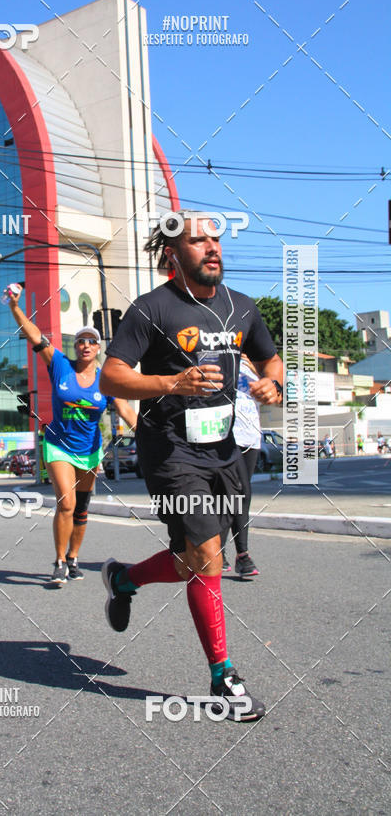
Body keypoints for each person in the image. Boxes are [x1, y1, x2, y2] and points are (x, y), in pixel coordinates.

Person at [99, 211, 283, 720]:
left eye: (216, 239)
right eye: (199, 240)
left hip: (226, 449)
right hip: (172, 450)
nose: (212, 247)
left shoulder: (241, 308)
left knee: (192, 563)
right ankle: (224, 679)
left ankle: (123, 580)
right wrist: (170, 385)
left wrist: (274, 384)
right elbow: (112, 378)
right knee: (208, 558)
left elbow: (270, 359)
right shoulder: (151, 308)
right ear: (173, 255)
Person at [7, 284, 137, 584]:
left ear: (98, 348)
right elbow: (35, 335)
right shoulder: (60, 366)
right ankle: (60, 561)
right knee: (65, 503)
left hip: (89, 450)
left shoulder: (107, 379)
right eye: (81, 341)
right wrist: (15, 307)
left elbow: (127, 412)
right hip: (57, 445)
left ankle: (75, 557)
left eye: (92, 341)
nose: (86, 345)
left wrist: (148, 436)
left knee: (81, 508)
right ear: (75, 347)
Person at [220, 354, 261, 578]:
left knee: (232, 497)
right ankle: (243, 555)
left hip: (252, 437)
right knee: (241, 494)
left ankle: (219, 551)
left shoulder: (253, 365)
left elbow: (275, 396)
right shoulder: (221, 358)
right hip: (228, 435)